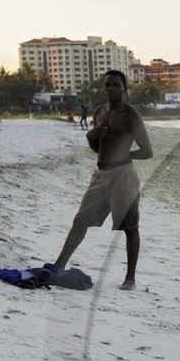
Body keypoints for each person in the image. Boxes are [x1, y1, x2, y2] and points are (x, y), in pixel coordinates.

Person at [52, 70, 153, 290]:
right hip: (100, 175)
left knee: (129, 227)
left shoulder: (131, 115)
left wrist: (125, 155)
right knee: (80, 221)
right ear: (103, 87)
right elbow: (98, 149)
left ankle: (130, 279)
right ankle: (59, 264)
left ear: (124, 88)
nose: (111, 89)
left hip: (123, 176)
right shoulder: (99, 112)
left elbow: (147, 152)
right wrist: (90, 137)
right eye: (108, 85)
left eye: (116, 85)